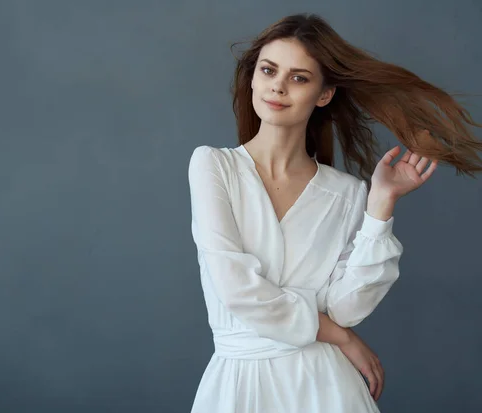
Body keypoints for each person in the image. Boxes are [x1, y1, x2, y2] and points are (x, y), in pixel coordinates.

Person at [187, 13, 482, 413]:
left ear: (324, 94)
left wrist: (380, 205)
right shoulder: (213, 167)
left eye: (299, 77)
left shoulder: (347, 193)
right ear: (253, 78)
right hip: (240, 384)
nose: (277, 85)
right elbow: (237, 290)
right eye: (269, 70)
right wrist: (340, 337)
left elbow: (346, 308)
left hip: (325, 387)